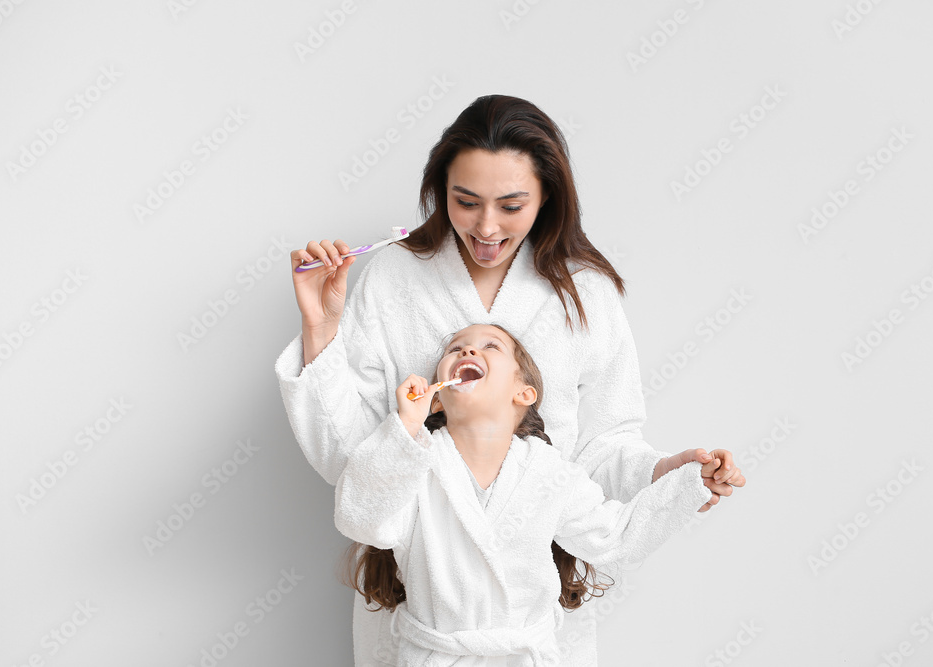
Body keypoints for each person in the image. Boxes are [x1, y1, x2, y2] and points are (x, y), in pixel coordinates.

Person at [276, 94, 746, 666]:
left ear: (548, 195)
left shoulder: (585, 293)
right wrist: (321, 330)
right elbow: (353, 467)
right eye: (465, 201)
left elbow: (603, 450)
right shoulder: (395, 276)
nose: (487, 226)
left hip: (535, 628)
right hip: (419, 625)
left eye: (511, 204)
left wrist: (663, 476)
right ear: (439, 189)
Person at [334, 323, 722, 665]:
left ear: (524, 393)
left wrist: (689, 485)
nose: (468, 351)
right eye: (456, 348)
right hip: (436, 657)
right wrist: (404, 428)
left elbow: (614, 537)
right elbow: (362, 519)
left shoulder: (548, 472)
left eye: (490, 347)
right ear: (438, 398)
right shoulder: (414, 462)